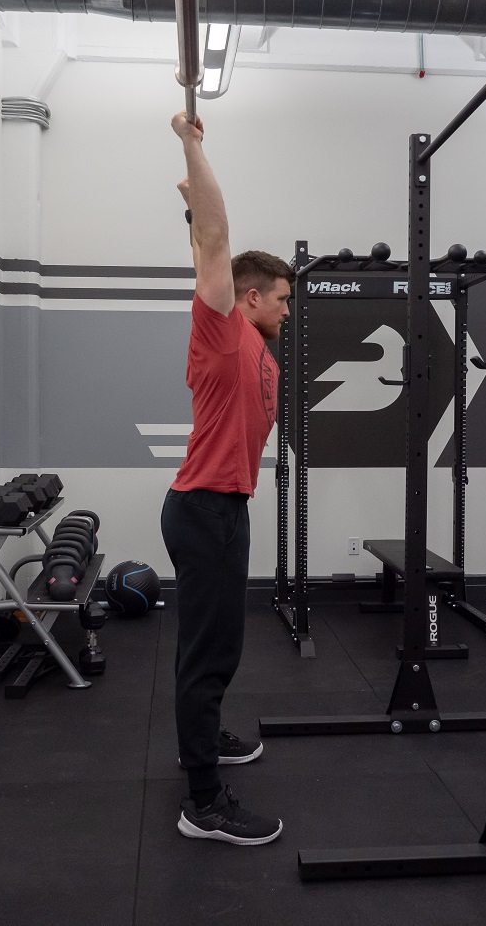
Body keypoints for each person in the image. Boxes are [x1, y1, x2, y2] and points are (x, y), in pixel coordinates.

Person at [161, 110, 293, 846]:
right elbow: (215, 242)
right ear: (247, 297)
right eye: (279, 296)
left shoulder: (254, 343)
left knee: (220, 646)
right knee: (209, 652)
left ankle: (205, 736)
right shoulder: (224, 328)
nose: (285, 306)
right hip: (204, 506)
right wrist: (193, 143)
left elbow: (201, 236)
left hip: (223, 506)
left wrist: (190, 205)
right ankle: (202, 801)